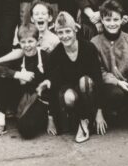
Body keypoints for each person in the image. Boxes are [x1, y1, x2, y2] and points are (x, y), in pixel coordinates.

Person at [38, 12, 104, 141]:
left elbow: (98, 79)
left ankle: (86, 120)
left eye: (68, 31)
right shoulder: (56, 54)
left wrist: (99, 112)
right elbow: (52, 86)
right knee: (68, 96)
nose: (64, 36)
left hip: (88, 90)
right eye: (60, 32)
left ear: (75, 30)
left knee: (85, 82)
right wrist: (50, 118)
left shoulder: (88, 48)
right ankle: (79, 120)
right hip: (69, 92)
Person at [91, 0, 128, 129]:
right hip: (109, 86)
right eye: (108, 20)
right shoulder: (95, 42)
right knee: (115, 95)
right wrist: (117, 82)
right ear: (102, 20)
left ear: (121, 20)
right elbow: (98, 71)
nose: (112, 23)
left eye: (115, 19)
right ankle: (113, 113)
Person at [0, 23, 49, 140]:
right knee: (5, 76)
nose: (27, 46)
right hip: (21, 97)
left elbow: (54, 82)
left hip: (39, 98)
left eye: (30, 41)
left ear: (38, 41)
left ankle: (39, 118)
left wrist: (52, 116)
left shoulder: (45, 57)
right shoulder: (19, 57)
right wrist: (19, 74)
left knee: (26, 130)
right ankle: (0, 122)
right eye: (23, 42)